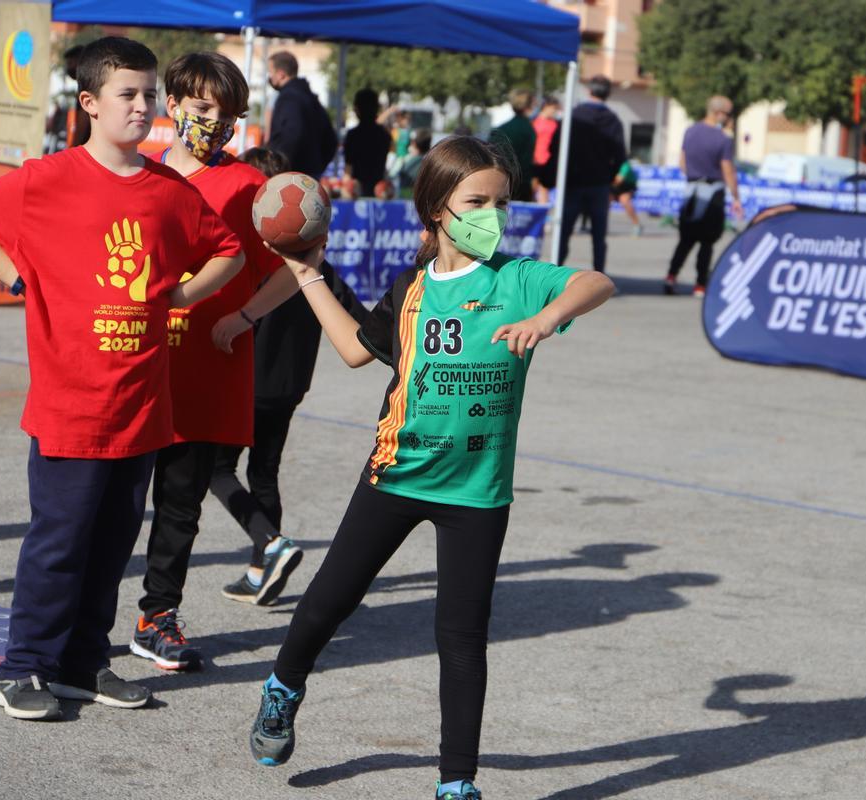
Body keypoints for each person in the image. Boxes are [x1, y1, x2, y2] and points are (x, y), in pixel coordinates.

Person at [246, 135, 615, 800]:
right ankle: (283, 685)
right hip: (399, 474)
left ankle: (455, 783)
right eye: (478, 201)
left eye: (502, 203)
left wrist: (551, 316)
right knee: (330, 600)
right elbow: (357, 353)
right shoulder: (411, 291)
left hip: (477, 489)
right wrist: (306, 273)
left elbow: (596, 281)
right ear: (438, 207)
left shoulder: (518, 279)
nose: (493, 216)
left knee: (462, 638)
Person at [0, 36, 246, 722]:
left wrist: (185, 298)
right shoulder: (48, 178)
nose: (142, 107)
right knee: (58, 545)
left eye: (147, 95)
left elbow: (226, 250)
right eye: (127, 95)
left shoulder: (171, 190)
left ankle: (83, 664)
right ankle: (22, 668)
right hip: (71, 406)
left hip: (142, 407)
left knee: (111, 547)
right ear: (89, 104)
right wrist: (15, 275)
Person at [129, 52, 304, 672]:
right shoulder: (139, 177)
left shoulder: (250, 188)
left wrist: (245, 316)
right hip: (137, 367)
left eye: (228, 114)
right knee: (112, 506)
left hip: (208, 369)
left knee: (181, 504)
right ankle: (80, 618)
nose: (215, 123)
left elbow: (298, 269)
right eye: (203, 108)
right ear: (171, 105)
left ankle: (158, 617)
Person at [207, 146, 368, 608]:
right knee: (264, 472)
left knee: (217, 470)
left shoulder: (252, 262)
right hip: (289, 388)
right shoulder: (316, 266)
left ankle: (271, 543)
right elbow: (360, 322)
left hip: (248, 385)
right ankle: (261, 570)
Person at [664, 95, 742, 297]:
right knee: (707, 243)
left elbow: (682, 163)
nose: (729, 118)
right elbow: (728, 170)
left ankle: (671, 276)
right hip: (713, 194)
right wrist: (736, 197)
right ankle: (700, 284)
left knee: (685, 240)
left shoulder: (690, 131)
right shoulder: (723, 139)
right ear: (719, 113)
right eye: (728, 114)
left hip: (691, 192)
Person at [547, 76, 626, 274]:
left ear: (589, 91)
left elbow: (555, 146)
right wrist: (610, 177)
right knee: (598, 236)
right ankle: (599, 276)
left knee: (563, 232)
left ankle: (554, 276)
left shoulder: (574, 116)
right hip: (599, 184)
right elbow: (620, 155)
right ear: (608, 94)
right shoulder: (613, 120)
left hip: (572, 182)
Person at [265, 51, 337, 178]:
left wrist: (277, 168)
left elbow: (290, 136)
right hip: (309, 175)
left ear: (281, 74)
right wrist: (316, 167)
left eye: (271, 72)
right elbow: (331, 140)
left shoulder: (289, 98)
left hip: (291, 178)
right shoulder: (310, 98)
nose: (269, 77)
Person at [343, 88, 393, 198]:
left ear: (357, 109)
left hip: (356, 190)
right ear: (376, 109)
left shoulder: (353, 135)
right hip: (380, 189)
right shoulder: (384, 135)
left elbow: (348, 170)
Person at [490, 88, 535, 202]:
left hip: (498, 181)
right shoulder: (528, 129)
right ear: (528, 105)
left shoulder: (501, 129)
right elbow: (527, 161)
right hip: (520, 184)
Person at [531, 96, 560, 203]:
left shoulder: (556, 124)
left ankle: (542, 214)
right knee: (532, 187)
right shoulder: (534, 121)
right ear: (546, 107)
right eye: (553, 108)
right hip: (535, 160)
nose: (555, 111)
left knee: (544, 188)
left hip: (549, 161)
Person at [63, 45, 91, 148]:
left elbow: (82, 122)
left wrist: (73, 147)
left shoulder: (86, 88)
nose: (68, 68)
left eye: (70, 63)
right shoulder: (86, 86)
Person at [394, 127, 433, 199]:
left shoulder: (406, 161)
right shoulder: (431, 163)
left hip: (406, 201)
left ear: (414, 143)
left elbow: (395, 177)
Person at [613, 160, 643, 236]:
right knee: (604, 202)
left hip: (628, 185)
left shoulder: (624, 164)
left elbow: (619, 180)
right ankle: (600, 226)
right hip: (615, 183)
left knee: (624, 201)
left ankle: (637, 225)